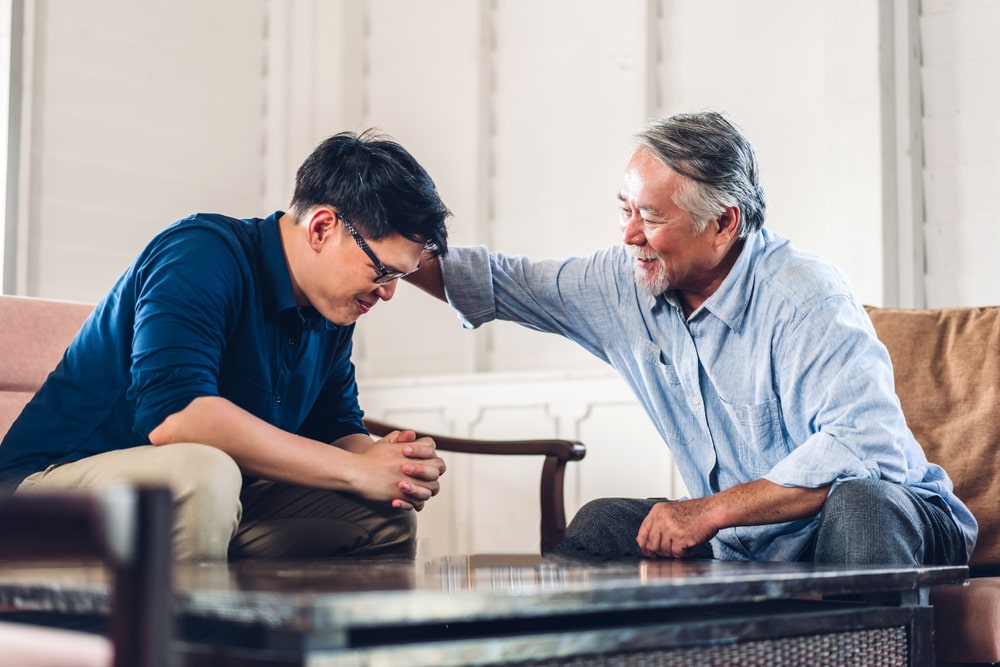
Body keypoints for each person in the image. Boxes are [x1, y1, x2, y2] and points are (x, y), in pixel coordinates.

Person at [407, 111, 977, 566]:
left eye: (651, 217)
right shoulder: (625, 281)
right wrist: (386, 249)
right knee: (601, 524)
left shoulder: (804, 297)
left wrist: (708, 512)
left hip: (899, 517)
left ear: (723, 223)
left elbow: (863, 451)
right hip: (753, 539)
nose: (630, 234)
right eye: (625, 209)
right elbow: (501, 283)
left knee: (861, 508)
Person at [0, 130, 451, 561]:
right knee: (202, 474)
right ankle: (177, 642)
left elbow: (334, 428)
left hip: (206, 498)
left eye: (399, 278)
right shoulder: (199, 253)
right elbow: (175, 416)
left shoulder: (331, 311)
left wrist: (389, 462)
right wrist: (355, 470)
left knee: (383, 516)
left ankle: (284, 639)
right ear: (321, 228)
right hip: (38, 498)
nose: (388, 292)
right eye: (383, 271)